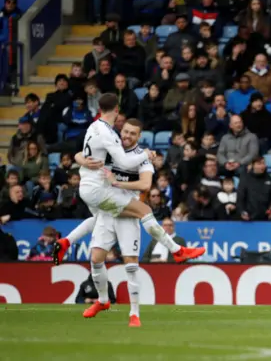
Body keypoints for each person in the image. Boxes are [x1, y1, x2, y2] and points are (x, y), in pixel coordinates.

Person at [53, 95, 204, 272]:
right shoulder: (111, 136)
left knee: (99, 221)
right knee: (145, 211)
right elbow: (124, 162)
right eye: (126, 131)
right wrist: (146, 154)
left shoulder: (94, 127)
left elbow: (145, 185)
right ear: (117, 113)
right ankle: (177, 251)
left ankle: (66, 242)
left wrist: (82, 160)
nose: (127, 135)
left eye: (133, 133)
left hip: (89, 187)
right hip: (99, 190)